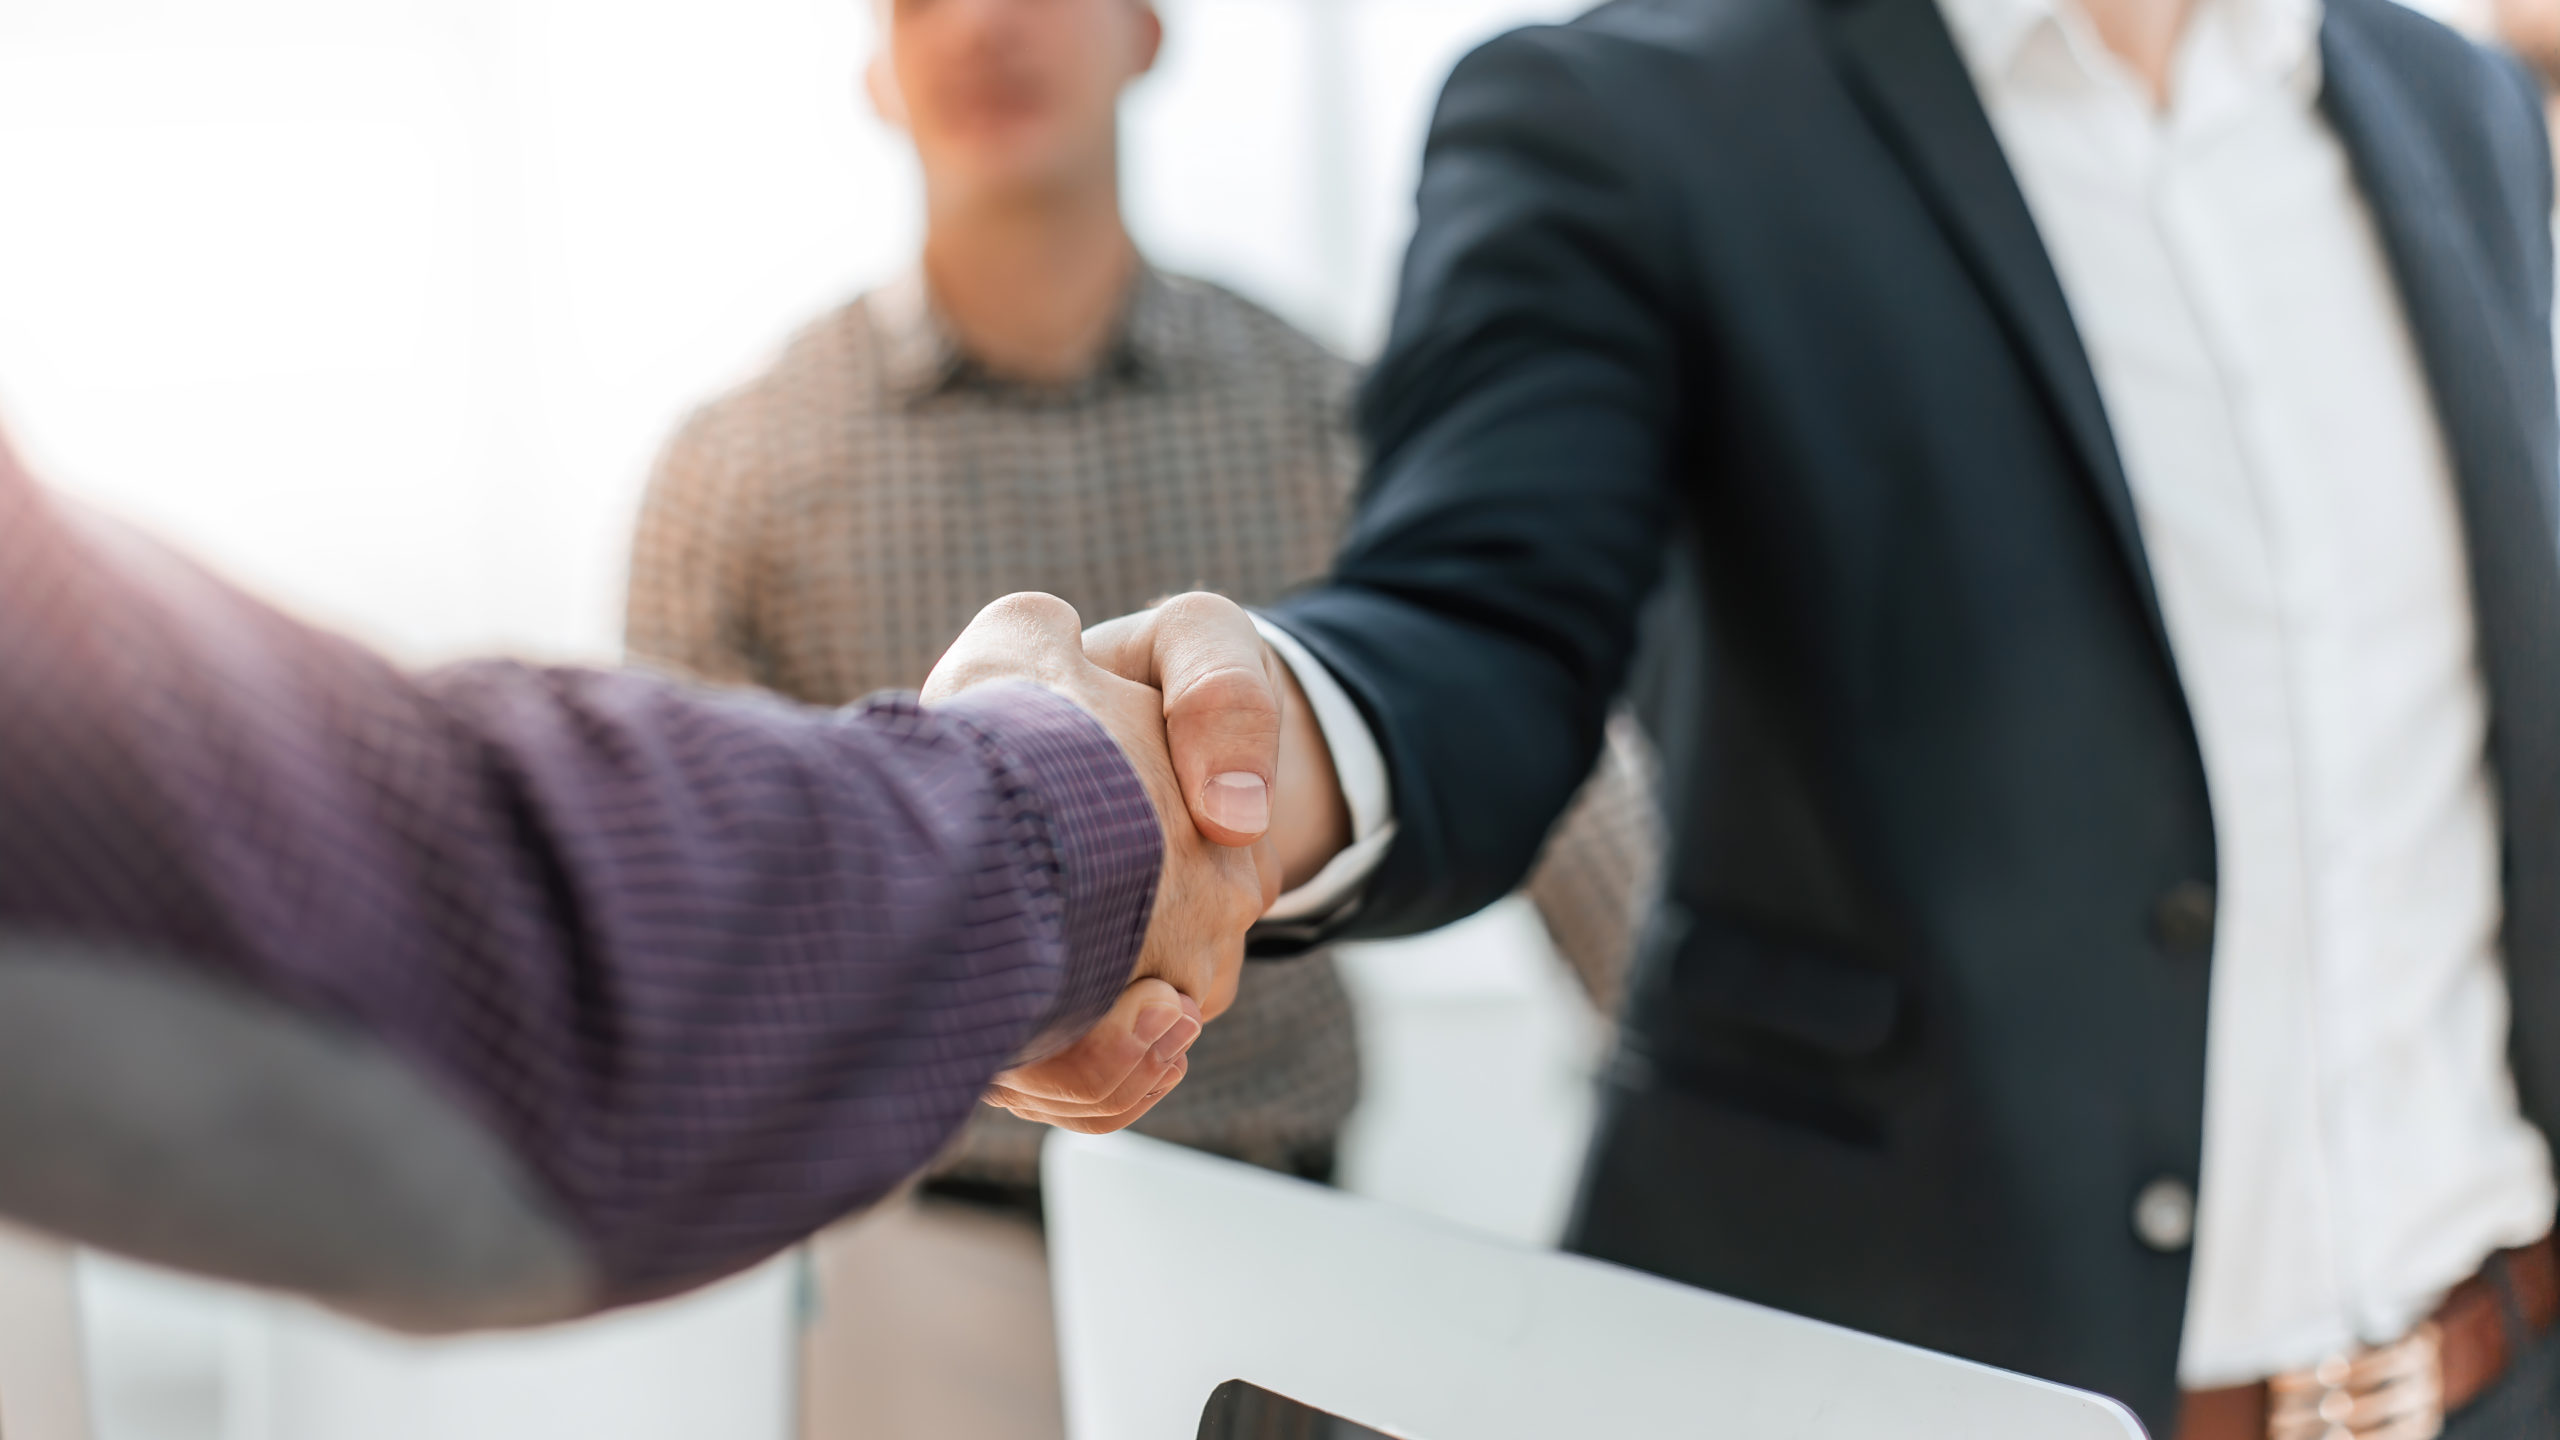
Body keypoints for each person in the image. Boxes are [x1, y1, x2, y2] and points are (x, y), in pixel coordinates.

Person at [1024, 0, 2560, 1432]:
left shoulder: (2456, 100)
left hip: (2499, 1362)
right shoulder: (1637, 110)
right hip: (1909, 1385)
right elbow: (1473, 623)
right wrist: (1217, 760)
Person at [624, 0, 1657, 1433]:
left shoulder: (1317, 410)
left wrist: (1723, 1104)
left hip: (1284, 1242)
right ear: (875, 70)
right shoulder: (740, 473)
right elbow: (698, 917)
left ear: (1148, 31)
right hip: (933, 1249)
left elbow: (1529, 753)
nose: (986, 24)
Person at [0, 427, 1266, 1331]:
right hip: (916, 1203)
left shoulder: (1283, 396)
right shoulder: (747, 453)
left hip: (1258, 1202)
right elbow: (521, 954)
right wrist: (1058, 792)